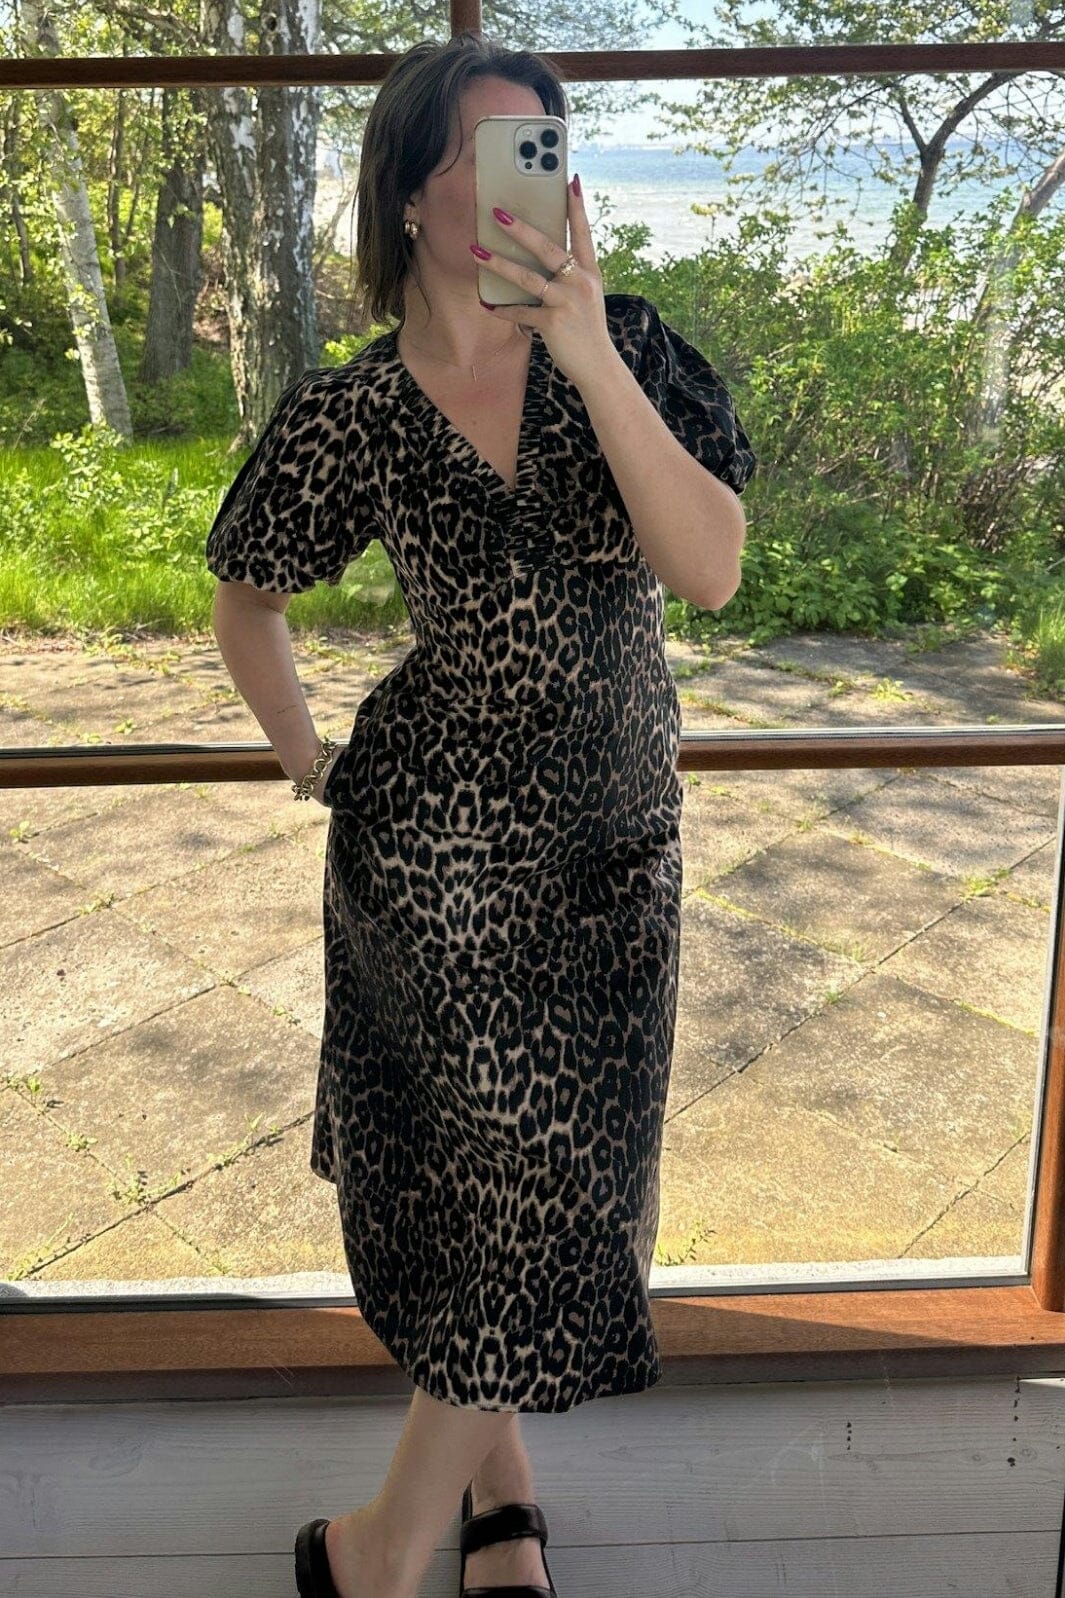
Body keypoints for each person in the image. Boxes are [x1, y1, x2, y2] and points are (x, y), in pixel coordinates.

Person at [205, 29, 756, 1598]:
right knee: (482, 1189)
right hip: (430, 862)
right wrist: (311, 759)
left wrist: (582, 347)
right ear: (407, 187)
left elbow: (709, 568)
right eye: (478, 151)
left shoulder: (624, 347)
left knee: (556, 1194)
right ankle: (426, 1529)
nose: (516, 182)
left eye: (539, 149)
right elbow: (246, 598)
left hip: (612, 851)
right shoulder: (357, 409)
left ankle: (418, 1523)